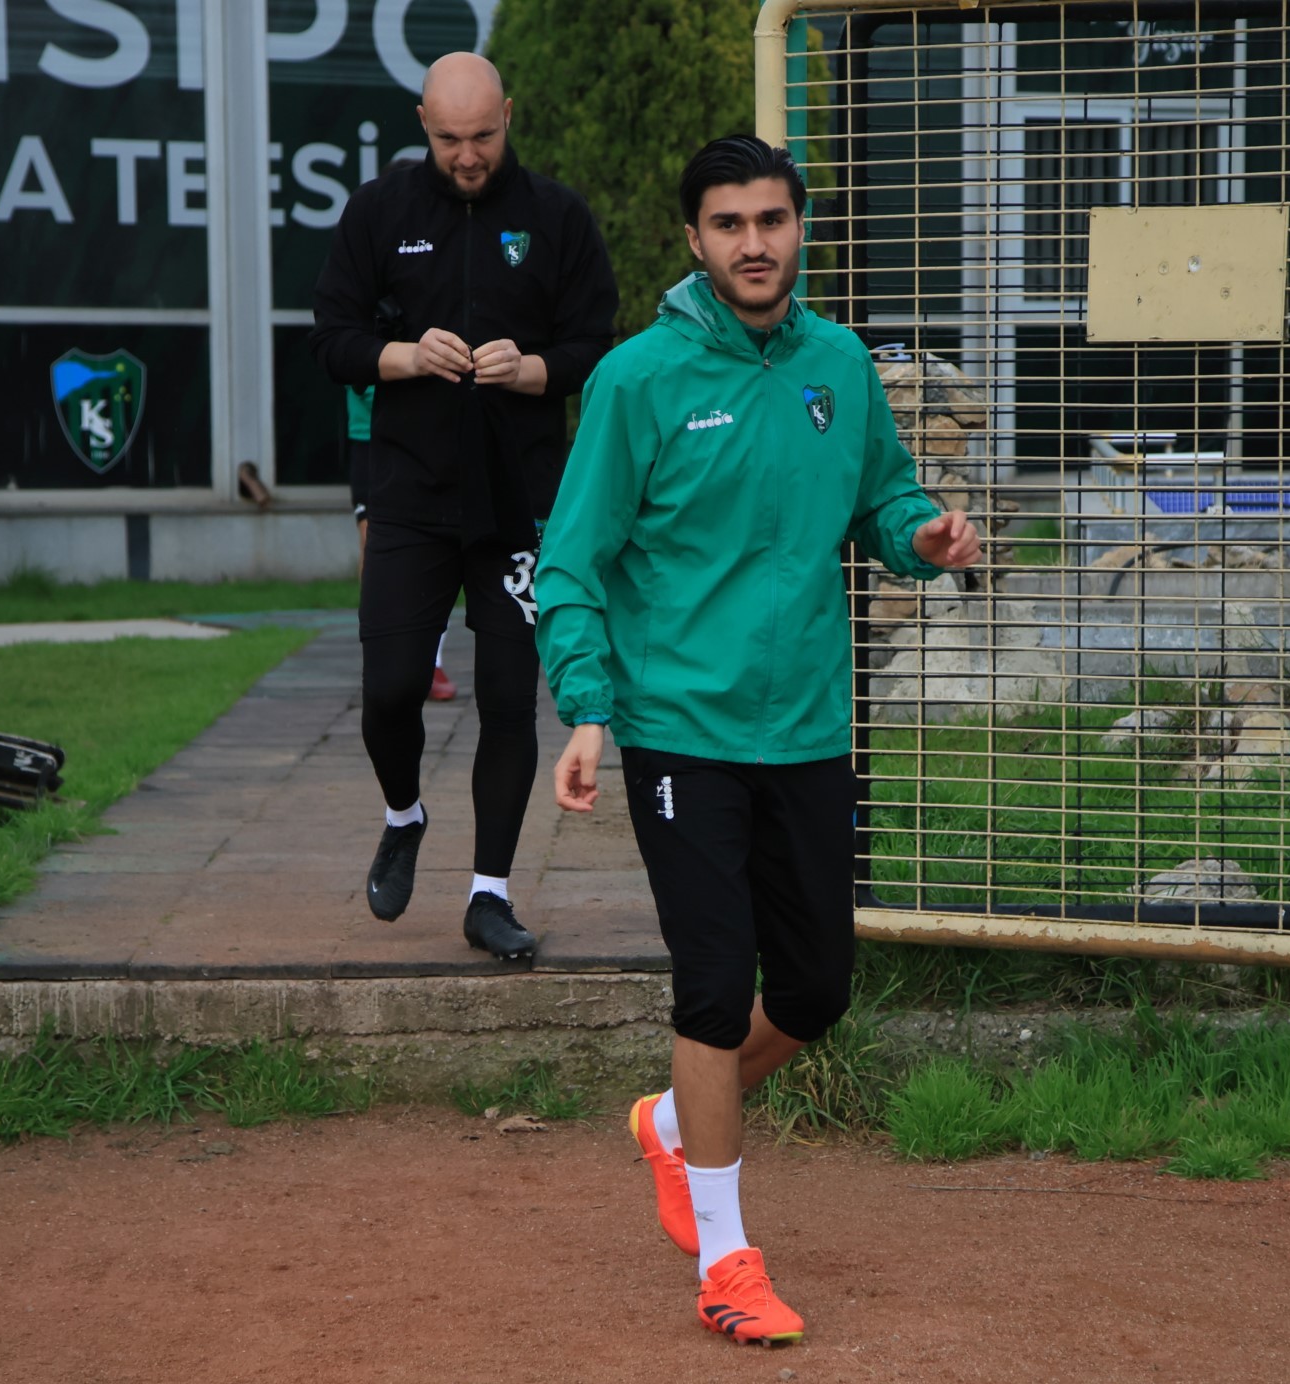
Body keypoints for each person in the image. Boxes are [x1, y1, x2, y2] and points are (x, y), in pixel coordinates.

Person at [536, 136, 979, 1345]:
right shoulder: (639, 381)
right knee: (716, 989)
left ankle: (676, 1125)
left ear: (801, 226)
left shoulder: (840, 362)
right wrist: (588, 702)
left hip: (810, 730)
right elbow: (573, 563)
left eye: (771, 220)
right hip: (682, 727)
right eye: (727, 223)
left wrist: (919, 534)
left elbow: (880, 493)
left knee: (819, 987)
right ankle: (728, 1260)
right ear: (692, 238)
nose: (753, 243)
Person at [310, 52, 616, 959]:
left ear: (509, 115)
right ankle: (404, 815)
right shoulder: (380, 211)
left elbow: (596, 345)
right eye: (449, 138)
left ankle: (491, 892)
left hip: (521, 501)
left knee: (510, 701)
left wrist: (534, 370)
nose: (468, 154)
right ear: (422, 124)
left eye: (483, 135)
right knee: (390, 690)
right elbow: (331, 338)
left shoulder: (556, 217)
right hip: (409, 494)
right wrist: (404, 355)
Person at [346, 382, 454, 702]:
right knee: (371, 542)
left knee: (439, 547)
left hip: (428, 439)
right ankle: (381, 649)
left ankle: (432, 660)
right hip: (369, 437)